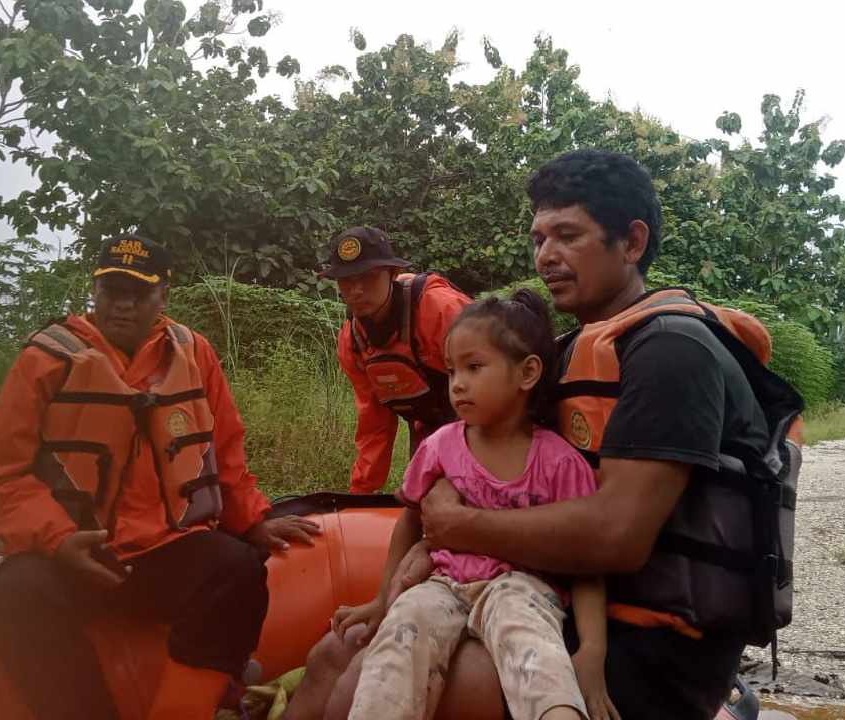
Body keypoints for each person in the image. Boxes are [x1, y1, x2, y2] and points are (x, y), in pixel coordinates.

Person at [290, 149, 802, 720]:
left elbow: (616, 536)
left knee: (364, 680)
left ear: (631, 243)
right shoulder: (568, 352)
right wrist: (419, 557)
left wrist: (459, 525)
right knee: (335, 653)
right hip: (541, 598)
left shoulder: (673, 353)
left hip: (647, 647)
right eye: (538, 239)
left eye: (567, 235)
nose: (546, 256)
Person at [0, 234, 321, 720]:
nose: (121, 305)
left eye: (137, 293)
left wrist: (253, 520)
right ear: (95, 290)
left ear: (163, 296)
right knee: (15, 595)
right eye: (111, 290)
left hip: (164, 550)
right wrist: (57, 540)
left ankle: (185, 708)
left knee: (238, 569)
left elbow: (224, 452)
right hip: (74, 554)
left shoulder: (194, 353)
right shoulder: (45, 361)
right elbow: (0, 476)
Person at [332, 289, 618, 720]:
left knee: (532, 645)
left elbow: (586, 560)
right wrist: (380, 600)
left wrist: (593, 651)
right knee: (401, 633)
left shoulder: (559, 461)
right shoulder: (440, 447)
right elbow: (411, 519)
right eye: (451, 372)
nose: (458, 384)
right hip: (443, 584)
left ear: (527, 374)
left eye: (474, 367)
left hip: (521, 585)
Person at [324, 226, 472, 494]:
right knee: (422, 497)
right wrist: (361, 493)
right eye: (345, 281)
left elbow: (494, 384)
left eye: (367, 278)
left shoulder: (440, 309)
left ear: (392, 274)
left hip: (482, 421)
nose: (355, 290)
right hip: (427, 426)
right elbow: (374, 422)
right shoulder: (352, 341)